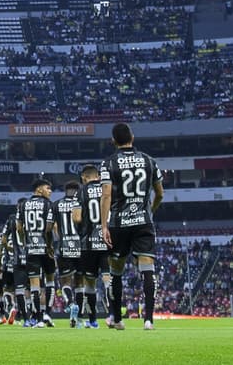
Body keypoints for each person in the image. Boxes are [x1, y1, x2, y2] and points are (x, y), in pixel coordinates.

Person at [100, 122, 164, 331]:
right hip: (143, 222)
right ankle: (148, 320)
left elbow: (107, 195)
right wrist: (150, 212)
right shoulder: (149, 160)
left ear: (113, 141)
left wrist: (104, 226)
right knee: (147, 268)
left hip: (119, 223)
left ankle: (117, 319)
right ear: (132, 138)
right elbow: (160, 193)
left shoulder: (108, 163)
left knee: (116, 271)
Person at [18, 178, 56, 327]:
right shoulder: (48, 205)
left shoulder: (23, 205)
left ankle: (38, 319)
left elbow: (19, 228)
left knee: (34, 285)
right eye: (48, 188)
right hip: (46, 248)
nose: (50, 191)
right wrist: (50, 245)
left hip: (31, 249)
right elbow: (50, 228)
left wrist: (25, 242)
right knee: (50, 280)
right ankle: (48, 313)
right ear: (39, 189)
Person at [75, 164, 107, 329]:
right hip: (108, 240)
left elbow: (77, 218)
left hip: (88, 243)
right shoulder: (107, 188)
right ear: (98, 176)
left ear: (83, 178)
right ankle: (114, 315)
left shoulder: (80, 192)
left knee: (90, 283)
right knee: (109, 278)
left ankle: (93, 320)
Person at [55, 180, 84, 326]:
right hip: (80, 247)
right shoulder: (81, 202)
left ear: (65, 190)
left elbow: (53, 227)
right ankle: (78, 315)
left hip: (64, 246)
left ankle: (71, 303)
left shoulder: (57, 204)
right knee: (79, 282)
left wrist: (60, 239)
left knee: (65, 281)